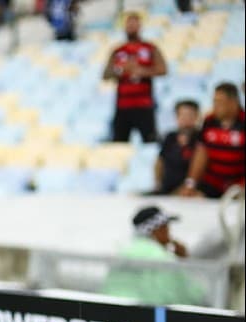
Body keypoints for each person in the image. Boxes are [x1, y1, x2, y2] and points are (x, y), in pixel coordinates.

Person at [102, 205, 207, 306]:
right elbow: (192, 297)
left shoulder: (123, 251)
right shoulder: (163, 258)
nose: (169, 232)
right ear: (157, 229)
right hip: (152, 318)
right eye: (166, 227)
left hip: (115, 313)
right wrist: (183, 262)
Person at [103, 13, 167, 143]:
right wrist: (121, 70)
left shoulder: (150, 48)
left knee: (150, 142)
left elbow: (163, 69)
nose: (131, 27)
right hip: (122, 106)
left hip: (144, 105)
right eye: (128, 24)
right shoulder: (118, 50)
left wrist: (142, 71)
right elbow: (106, 74)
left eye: (134, 23)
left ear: (140, 26)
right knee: (119, 144)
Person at [179, 82, 246, 198]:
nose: (215, 105)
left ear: (233, 103)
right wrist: (190, 183)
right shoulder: (209, 121)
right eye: (214, 101)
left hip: (238, 188)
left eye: (220, 102)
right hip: (211, 184)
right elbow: (201, 154)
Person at [155, 99, 200, 194]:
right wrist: (158, 183)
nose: (186, 119)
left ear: (196, 116)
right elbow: (160, 161)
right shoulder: (170, 137)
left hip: (189, 191)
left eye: (190, 115)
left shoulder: (201, 138)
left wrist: (189, 186)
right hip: (166, 189)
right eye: (182, 115)